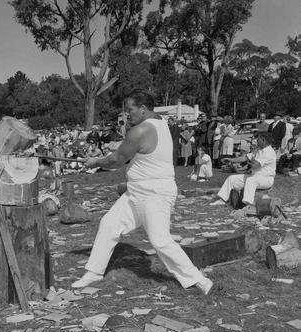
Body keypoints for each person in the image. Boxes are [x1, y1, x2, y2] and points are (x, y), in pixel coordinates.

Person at [71, 90, 213, 295]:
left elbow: (117, 160)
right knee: (109, 225)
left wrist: (95, 162)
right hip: (137, 190)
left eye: (130, 110)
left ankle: (199, 280)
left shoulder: (141, 130)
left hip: (154, 192)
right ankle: (94, 271)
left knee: (160, 240)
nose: (127, 115)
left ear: (143, 109)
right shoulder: (160, 121)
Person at [211, 133, 276, 207]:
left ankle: (248, 204)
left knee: (251, 180)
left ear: (263, 141)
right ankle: (222, 199)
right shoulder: (258, 150)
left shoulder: (269, 152)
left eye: (258, 139)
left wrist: (252, 157)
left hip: (266, 179)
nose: (256, 141)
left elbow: (254, 165)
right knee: (232, 178)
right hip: (254, 176)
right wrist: (230, 160)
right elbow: (245, 158)